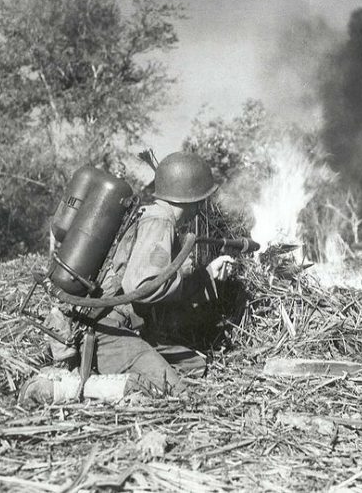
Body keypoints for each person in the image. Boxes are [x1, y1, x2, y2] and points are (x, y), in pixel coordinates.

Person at [20, 152, 233, 404]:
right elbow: (143, 287)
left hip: (116, 324)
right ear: (193, 197)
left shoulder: (149, 213)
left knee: (195, 365)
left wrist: (204, 277)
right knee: (171, 390)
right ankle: (65, 388)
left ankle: (106, 368)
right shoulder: (159, 222)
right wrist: (199, 278)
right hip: (104, 331)